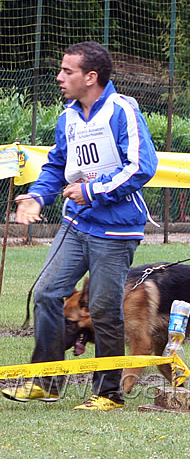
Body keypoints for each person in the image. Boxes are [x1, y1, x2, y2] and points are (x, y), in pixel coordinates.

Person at [1, 41, 158, 411]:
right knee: (46, 294)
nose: (59, 77)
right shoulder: (67, 116)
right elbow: (57, 166)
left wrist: (92, 190)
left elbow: (141, 167)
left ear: (91, 77)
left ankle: (109, 393)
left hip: (116, 229)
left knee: (104, 309)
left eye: (67, 71)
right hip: (75, 224)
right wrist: (38, 195)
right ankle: (47, 382)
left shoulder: (124, 111)